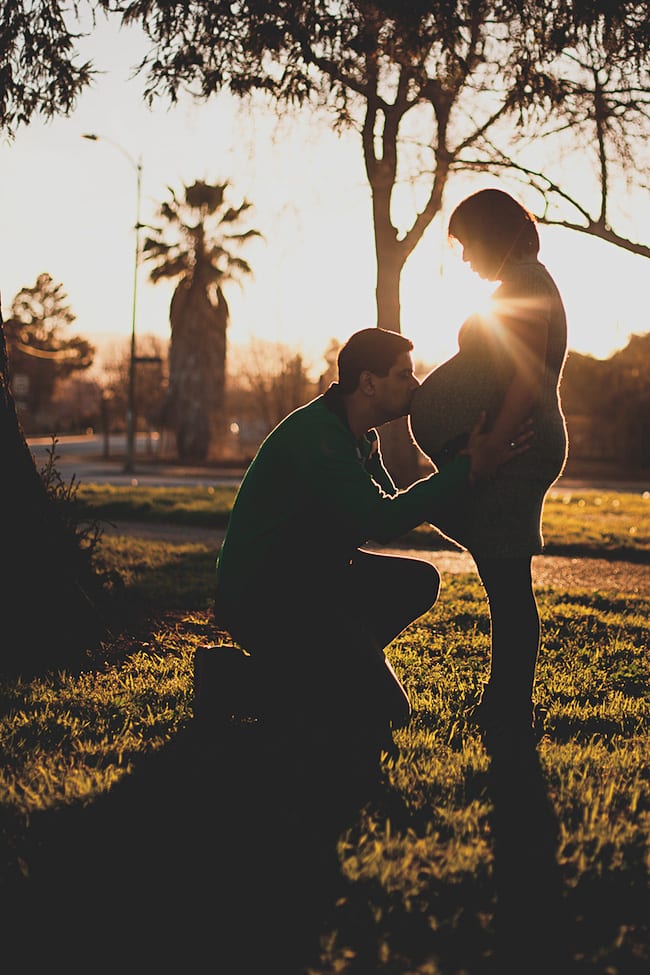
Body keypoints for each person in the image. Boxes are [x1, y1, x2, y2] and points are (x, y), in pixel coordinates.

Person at [213, 326, 528, 772]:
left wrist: (478, 488)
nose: (416, 386)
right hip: (264, 596)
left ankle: (324, 669)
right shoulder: (318, 438)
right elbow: (381, 521)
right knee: (386, 711)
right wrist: (464, 469)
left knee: (419, 581)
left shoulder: (360, 439)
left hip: (314, 584)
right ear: (368, 383)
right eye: (405, 375)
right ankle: (233, 680)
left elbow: (397, 509)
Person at [409, 187, 569, 746]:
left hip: (517, 444)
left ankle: (507, 709)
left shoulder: (526, 279)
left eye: (468, 244)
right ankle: (504, 704)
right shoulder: (521, 280)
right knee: (501, 570)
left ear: (491, 232)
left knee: (506, 583)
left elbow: (526, 374)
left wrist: (495, 444)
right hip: (506, 442)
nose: (466, 259)